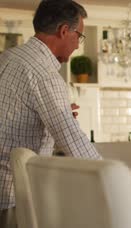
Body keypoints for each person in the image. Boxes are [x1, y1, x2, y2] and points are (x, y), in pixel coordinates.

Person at [0, 0, 101, 211]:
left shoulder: (7, 58)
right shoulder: (44, 74)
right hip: (12, 198)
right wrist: (113, 177)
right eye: (79, 36)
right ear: (64, 31)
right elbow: (73, 140)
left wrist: (50, 117)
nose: (77, 44)